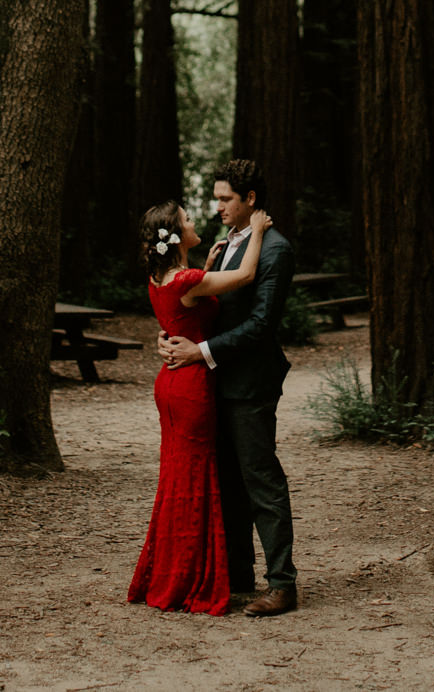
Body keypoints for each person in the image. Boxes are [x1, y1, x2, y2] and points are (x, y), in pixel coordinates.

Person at [157, 159, 298, 617]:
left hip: (250, 382)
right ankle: (237, 574)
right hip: (212, 383)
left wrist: (200, 352)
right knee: (227, 483)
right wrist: (172, 335)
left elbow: (260, 325)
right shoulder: (227, 245)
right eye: (215, 198)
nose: (216, 206)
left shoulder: (274, 249)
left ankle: (283, 585)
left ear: (250, 200)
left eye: (225, 199)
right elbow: (201, 303)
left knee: (261, 480)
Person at [126, 199, 272, 615]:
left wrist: (204, 263)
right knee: (195, 479)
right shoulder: (187, 279)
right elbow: (244, 276)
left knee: (176, 478)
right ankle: (191, 577)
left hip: (169, 382)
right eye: (187, 220)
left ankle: (170, 571)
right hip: (190, 385)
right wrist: (258, 228)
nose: (194, 222)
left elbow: (182, 312)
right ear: (174, 235)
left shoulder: (160, 277)